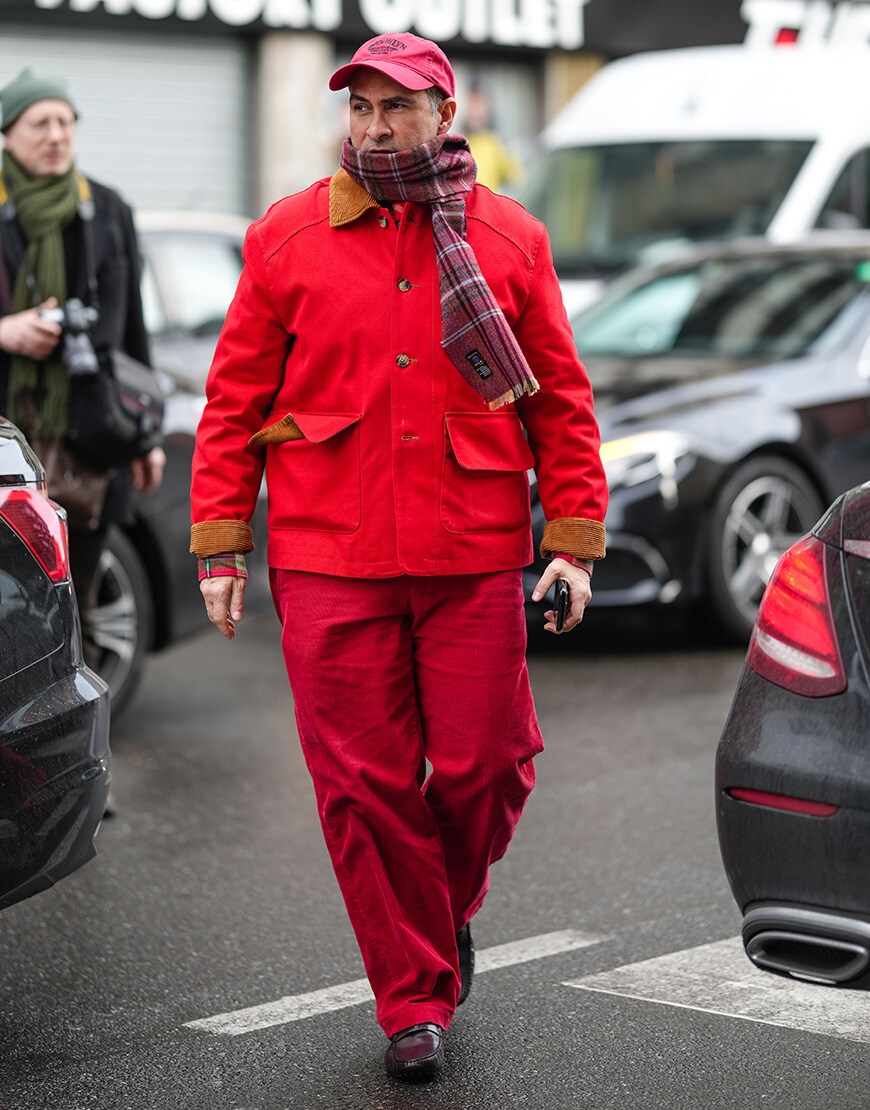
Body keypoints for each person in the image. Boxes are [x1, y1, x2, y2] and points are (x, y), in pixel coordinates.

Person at [190, 33, 607, 1081]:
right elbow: (234, 404)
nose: (373, 127)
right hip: (330, 553)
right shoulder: (286, 237)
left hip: (471, 549)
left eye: (395, 108)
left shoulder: (508, 238)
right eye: (360, 108)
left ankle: (432, 913)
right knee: (364, 786)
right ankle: (414, 1000)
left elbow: (560, 400)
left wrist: (574, 541)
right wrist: (220, 546)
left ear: (443, 114)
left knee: (489, 765)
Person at [0, 68, 164, 668]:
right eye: (39, 122)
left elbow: (132, 331)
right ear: (8, 134)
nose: (56, 134)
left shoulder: (109, 209)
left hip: (93, 438)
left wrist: (145, 435)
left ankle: (73, 730)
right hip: (7, 442)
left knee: (76, 600)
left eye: (66, 121)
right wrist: (8, 333)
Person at [463, 85, 525, 194]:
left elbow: (518, 179)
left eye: (480, 104)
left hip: (487, 207)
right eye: (473, 103)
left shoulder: (496, 143)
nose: (476, 111)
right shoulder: (459, 142)